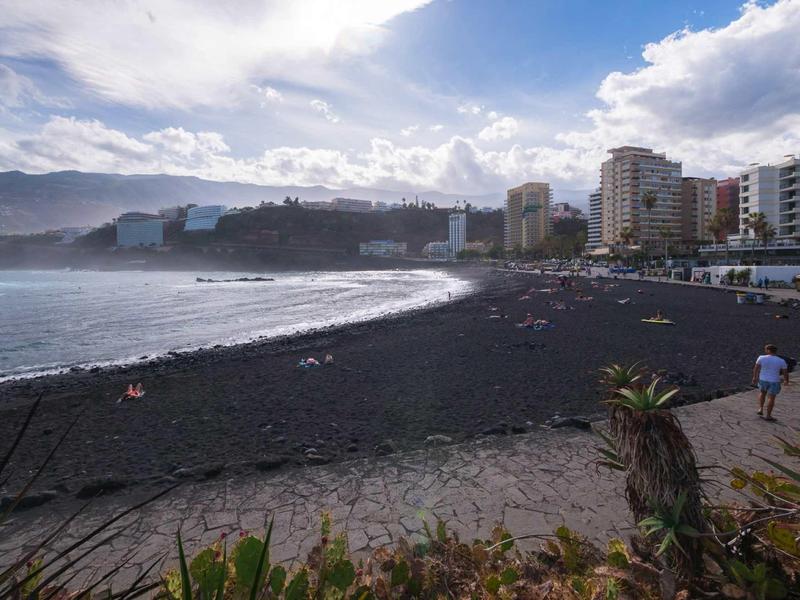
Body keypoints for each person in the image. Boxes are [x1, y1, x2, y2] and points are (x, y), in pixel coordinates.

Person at [753, 344, 789, 421]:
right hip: (774, 381)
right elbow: (785, 372)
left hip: (763, 379)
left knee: (762, 393)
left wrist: (755, 377)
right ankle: (768, 415)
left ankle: (760, 409)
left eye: (765, 349)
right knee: (771, 398)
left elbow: (756, 368)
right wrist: (786, 380)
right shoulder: (781, 360)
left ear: (768, 350)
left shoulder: (761, 358)